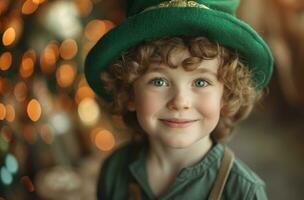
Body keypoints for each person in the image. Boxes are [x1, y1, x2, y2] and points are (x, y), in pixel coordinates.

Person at [84, 0, 273, 199]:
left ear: (226, 95)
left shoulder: (244, 193)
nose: (180, 101)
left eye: (200, 82)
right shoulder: (114, 171)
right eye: (158, 81)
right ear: (130, 93)